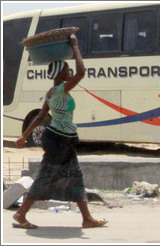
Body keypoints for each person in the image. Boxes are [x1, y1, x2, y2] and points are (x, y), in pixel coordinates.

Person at [13, 34, 108, 229]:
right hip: (59, 141)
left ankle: (87, 218)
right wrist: (75, 46)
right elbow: (81, 72)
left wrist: (24, 136)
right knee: (47, 177)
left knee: (75, 176)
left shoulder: (51, 92)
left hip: (61, 139)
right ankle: (21, 214)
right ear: (60, 75)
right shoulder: (62, 89)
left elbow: (40, 117)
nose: (70, 70)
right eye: (66, 69)